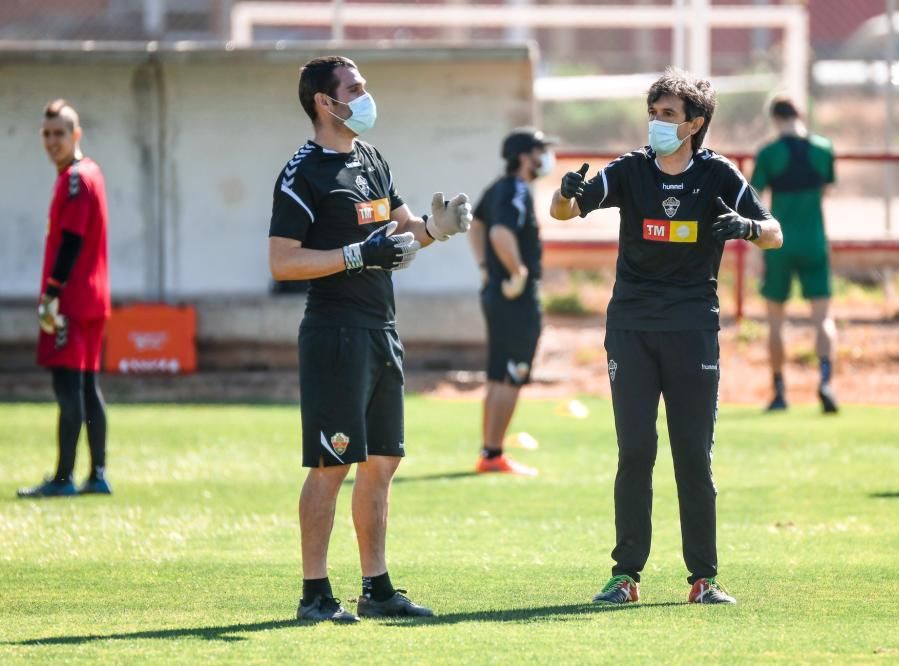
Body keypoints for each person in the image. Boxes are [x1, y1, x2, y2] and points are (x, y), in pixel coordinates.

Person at [551, 67, 783, 605]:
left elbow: (774, 231)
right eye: (653, 113)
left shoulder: (719, 175)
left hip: (692, 328)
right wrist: (565, 196)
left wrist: (747, 228)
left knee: (692, 457)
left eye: (668, 115)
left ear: (695, 124)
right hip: (631, 327)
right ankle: (625, 576)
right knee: (635, 452)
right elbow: (563, 212)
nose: (657, 123)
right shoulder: (631, 170)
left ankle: (704, 579)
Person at [268, 55, 472, 624]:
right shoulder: (302, 172)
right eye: (354, 89)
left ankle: (377, 589)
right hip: (335, 333)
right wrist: (355, 255)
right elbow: (282, 262)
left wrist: (436, 228)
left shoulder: (372, 160)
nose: (365, 96)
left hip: (382, 327)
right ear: (324, 103)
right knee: (332, 464)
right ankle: (314, 594)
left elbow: (400, 236)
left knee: (382, 462)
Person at [17, 100, 111, 499]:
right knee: (87, 387)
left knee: (68, 388)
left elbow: (71, 242)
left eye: (60, 133)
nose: (52, 141)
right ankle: (98, 475)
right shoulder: (91, 173)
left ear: (76, 134)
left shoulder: (74, 179)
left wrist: (51, 294)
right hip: (92, 298)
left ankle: (62, 478)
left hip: (71, 300)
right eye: (47, 133)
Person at [467, 128, 556, 477]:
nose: (544, 158)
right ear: (525, 156)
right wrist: (517, 271)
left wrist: (486, 267)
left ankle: (490, 451)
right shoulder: (516, 190)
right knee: (511, 374)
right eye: (540, 151)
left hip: (497, 292)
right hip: (515, 297)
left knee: (498, 374)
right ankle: (493, 454)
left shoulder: (497, 188)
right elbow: (498, 232)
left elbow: (476, 224)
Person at [751, 96, 838, 413]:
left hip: (779, 243)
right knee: (823, 318)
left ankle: (779, 391)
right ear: (801, 115)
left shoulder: (769, 153)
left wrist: (755, 250)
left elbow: (754, 196)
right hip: (815, 239)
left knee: (775, 321)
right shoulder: (824, 149)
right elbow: (827, 189)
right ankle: (826, 383)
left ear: (774, 118)